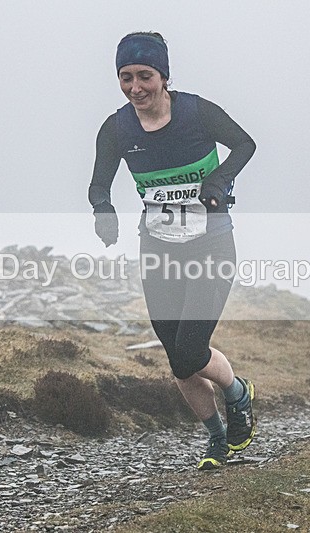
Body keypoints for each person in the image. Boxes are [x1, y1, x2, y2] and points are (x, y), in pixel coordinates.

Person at [89, 32, 258, 470]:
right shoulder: (117, 129)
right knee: (178, 361)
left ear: (164, 76)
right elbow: (98, 185)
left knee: (191, 350)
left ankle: (238, 393)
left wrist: (218, 180)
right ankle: (217, 439)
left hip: (211, 244)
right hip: (158, 249)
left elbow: (245, 144)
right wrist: (103, 211)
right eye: (125, 77)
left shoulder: (198, 113)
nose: (135, 87)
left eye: (145, 76)